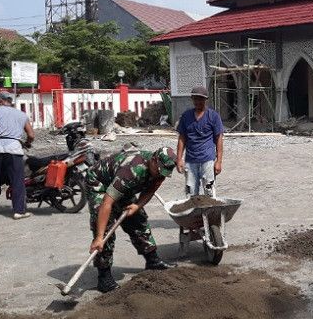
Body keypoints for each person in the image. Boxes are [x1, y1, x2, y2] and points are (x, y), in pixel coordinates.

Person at [86, 147, 177, 293]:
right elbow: (107, 204)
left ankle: (152, 261)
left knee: (138, 219)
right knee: (105, 229)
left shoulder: (160, 169)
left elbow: (151, 188)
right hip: (100, 182)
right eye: (159, 170)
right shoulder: (131, 172)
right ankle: (104, 278)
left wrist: (137, 205)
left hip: (122, 186)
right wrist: (98, 237)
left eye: (164, 172)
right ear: (154, 160)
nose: (161, 174)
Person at [0, 92, 35, 219]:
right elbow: (31, 135)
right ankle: (19, 211)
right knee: (17, 181)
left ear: (1, 101)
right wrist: (27, 143)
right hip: (14, 149)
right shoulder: (22, 115)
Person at [176, 86, 224, 196]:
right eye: (195, 98)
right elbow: (182, 138)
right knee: (191, 193)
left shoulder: (213, 116)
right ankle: (195, 213)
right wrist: (179, 159)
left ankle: (211, 213)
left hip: (207, 160)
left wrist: (219, 161)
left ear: (205, 100)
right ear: (192, 99)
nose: (198, 101)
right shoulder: (186, 116)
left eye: (201, 99)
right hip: (191, 161)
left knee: (209, 192)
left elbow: (219, 138)